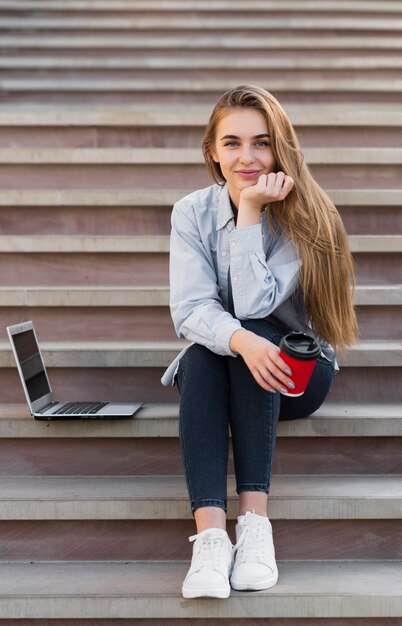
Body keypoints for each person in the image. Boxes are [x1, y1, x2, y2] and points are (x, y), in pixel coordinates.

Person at [161, 84, 358, 599]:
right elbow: (191, 309)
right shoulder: (191, 213)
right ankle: (210, 537)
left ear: (281, 148)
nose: (246, 158)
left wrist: (249, 212)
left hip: (296, 376)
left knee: (255, 336)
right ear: (211, 151)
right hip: (227, 369)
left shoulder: (305, 216)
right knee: (207, 352)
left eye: (261, 143)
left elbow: (253, 308)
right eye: (231, 143)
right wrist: (241, 343)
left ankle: (253, 526)